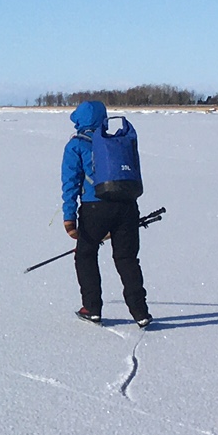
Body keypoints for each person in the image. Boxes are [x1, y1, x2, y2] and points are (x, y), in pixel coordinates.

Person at [61, 100, 152, 328]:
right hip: (127, 206)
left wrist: (69, 217)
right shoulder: (117, 142)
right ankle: (140, 312)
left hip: (95, 209)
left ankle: (92, 308)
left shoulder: (76, 145)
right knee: (127, 259)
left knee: (85, 255)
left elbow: (70, 183)